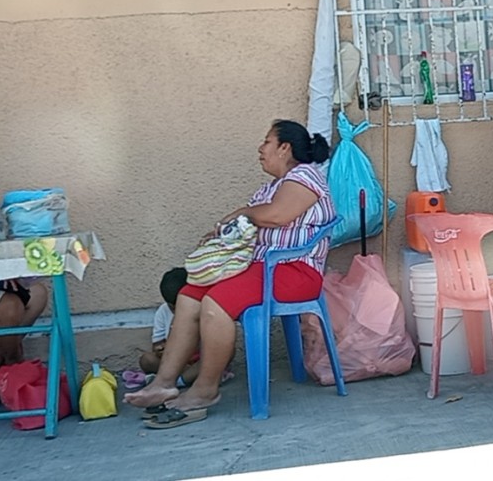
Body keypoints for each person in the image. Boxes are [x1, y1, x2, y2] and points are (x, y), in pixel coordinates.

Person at [125, 119, 335, 427]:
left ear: (284, 148)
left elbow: (276, 217)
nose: (260, 149)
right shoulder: (270, 187)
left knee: (217, 303)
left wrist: (240, 213)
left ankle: (205, 391)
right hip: (261, 268)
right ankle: (165, 382)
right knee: (191, 293)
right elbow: (250, 227)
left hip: (295, 271)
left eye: (267, 142)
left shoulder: (305, 175)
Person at [138, 267, 202, 388]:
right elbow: (157, 345)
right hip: (175, 362)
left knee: (213, 361)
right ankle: (185, 378)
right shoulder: (163, 312)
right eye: (171, 307)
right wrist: (161, 350)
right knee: (147, 360)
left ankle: (178, 381)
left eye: (179, 306)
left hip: (197, 361)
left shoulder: (202, 308)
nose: (176, 311)